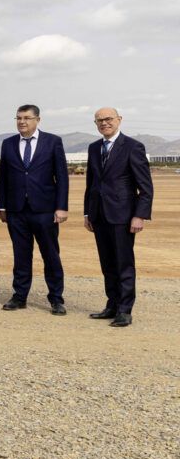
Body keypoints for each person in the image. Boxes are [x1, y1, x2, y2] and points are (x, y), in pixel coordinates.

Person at [84, 108, 153, 328]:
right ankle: (112, 305)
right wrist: (88, 213)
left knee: (124, 264)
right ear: (95, 124)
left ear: (119, 120)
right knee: (107, 264)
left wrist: (139, 215)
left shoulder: (133, 147)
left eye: (108, 119)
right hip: (99, 216)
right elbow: (91, 184)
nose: (104, 123)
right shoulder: (94, 148)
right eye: (99, 120)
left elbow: (146, 187)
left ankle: (125, 310)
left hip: (123, 216)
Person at [0, 104, 69, 315]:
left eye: (27, 118)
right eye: (18, 118)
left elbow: (62, 177)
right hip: (16, 211)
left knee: (51, 255)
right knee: (21, 255)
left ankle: (56, 298)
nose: (22, 122)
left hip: (45, 210)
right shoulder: (8, 143)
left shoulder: (52, 142)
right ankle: (19, 296)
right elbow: (4, 179)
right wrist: (1, 206)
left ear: (38, 119)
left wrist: (61, 207)